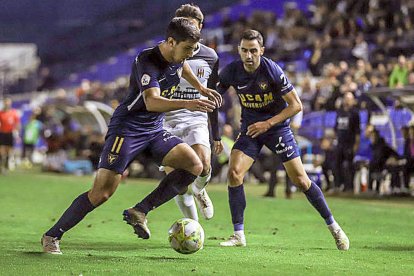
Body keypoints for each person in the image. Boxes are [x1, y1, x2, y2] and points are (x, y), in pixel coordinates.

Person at [41, 17, 222, 254]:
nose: (189, 54)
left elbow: (182, 67)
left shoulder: (179, 56)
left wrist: (200, 87)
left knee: (194, 165)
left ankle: (141, 210)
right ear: (170, 42)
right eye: (187, 48)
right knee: (101, 193)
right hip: (127, 130)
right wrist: (189, 102)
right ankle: (52, 236)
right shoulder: (147, 60)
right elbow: (152, 101)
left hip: (154, 129)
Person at [216, 30, 349, 250]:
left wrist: (268, 124)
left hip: (277, 129)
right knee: (234, 173)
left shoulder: (272, 70)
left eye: (253, 51)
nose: (248, 56)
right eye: (244, 50)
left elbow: (296, 105)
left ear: (262, 51)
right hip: (251, 130)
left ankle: (334, 227)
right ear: (239, 50)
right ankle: (238, 234)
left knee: (301, 180)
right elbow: (215, 96)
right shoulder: (232, 71)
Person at [162, 4, 223, 221]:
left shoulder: (211, 57)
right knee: (178, 182)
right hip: (167, 117)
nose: (188, 29)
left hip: (195, 115)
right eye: (183, 24)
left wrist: (215, 133)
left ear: (201, 27)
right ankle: (193, 227)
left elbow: (211, 95)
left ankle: (200, 190)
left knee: (204, 165)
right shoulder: (165, 52)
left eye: (192, 25)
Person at [334, 92, 360, 192]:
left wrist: (356, 145)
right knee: (337, 165)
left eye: (350, 99)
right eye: (346, 98)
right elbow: (336, 128)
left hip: (349, 144)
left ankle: (349, 187)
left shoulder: (355, 113)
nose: (347, 101)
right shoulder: (339, 112)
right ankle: (338, 185)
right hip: (340, 143)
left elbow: (357, 131)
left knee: (349, 166)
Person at [0, 98, 20, 173]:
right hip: (2, 133)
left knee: (9, 151)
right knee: (1, 151)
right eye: (6, 102)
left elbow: (17, 124)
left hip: (10, 134)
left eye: (8, 102)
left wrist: (17, 134)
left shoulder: (14, 113)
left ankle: (5, 167)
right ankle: (1, 166)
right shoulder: (1, 113)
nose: (7, 103)